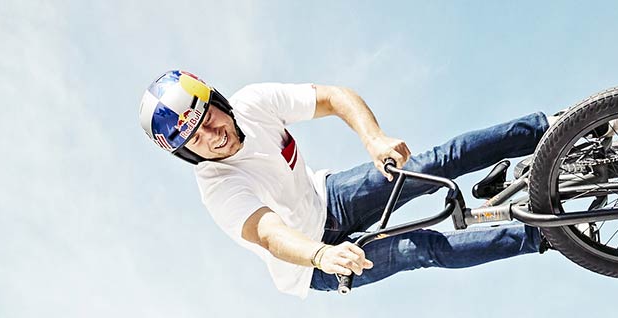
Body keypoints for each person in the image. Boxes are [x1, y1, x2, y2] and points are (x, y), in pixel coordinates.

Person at [139, 72, 568, 297]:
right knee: (420, 249)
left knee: (435, 162)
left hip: (330, 198)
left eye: (207, 119)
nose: (211, 136)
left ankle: (554, 127)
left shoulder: (254, 103)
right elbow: (270, 234)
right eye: (196, 138)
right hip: (310, 263)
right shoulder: (217, 186)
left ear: (218, 101)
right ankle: (545, 236)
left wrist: (373, 138)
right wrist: (322, 254)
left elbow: (334, 97)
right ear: (187, 152)